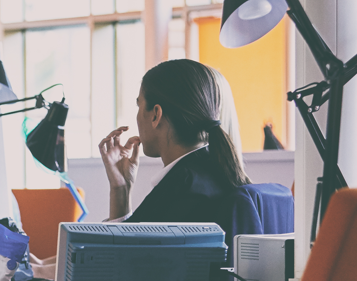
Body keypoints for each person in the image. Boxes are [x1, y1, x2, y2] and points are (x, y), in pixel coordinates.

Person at [99, 59, 249, 232]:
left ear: (156, 114)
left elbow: (120, 256)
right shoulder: (215, 172)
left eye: (138, 105)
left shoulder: (180, 188)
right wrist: (121, 189)